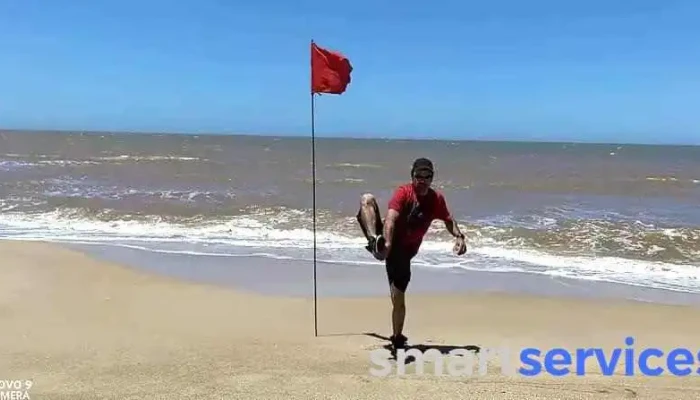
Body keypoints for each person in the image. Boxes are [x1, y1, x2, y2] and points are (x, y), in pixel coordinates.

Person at [356, 157, 467, 350]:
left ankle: (397, 337)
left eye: (427, 176)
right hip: (387, 240)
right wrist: (387, 244)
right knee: (367, 199)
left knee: (398, 298)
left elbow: (448, 220)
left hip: (403, 253)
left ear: (432, 178)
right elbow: (391, 219)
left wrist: (459, 236)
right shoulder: (404, 192)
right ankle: (375, 241)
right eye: (418, 176)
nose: (422, 180)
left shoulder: (436, 199)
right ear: (412, 177)